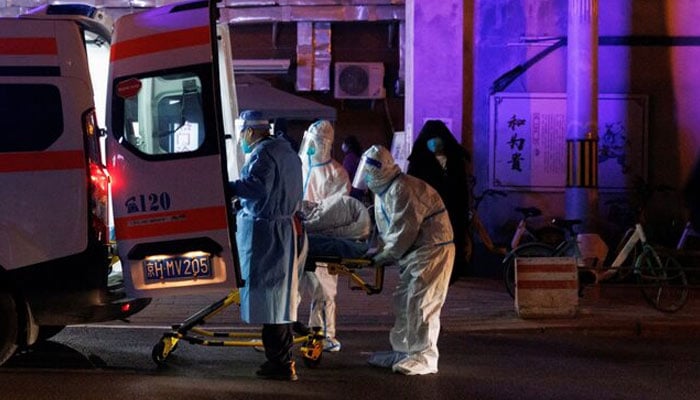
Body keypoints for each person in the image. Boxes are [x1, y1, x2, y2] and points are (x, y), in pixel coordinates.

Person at [353, 145, 455, 376]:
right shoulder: (384, 192)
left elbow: (402, 234)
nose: (366, 177)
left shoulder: (403, 189)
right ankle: (404, 350)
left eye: (369, 172)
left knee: (422, 302)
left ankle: (424, 356)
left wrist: (380, 258)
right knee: (404, 301)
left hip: (432, 250)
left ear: (380, 170)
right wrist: (378, 251)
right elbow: (388, 231)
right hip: (414, 253)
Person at [229, 110, 304, 381]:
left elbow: (258, 188)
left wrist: (232, 188)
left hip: (266, 234)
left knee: (270, 300)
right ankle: (282, 359)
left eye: (242, 134)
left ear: (250, 131)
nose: (241, 140)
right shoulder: (288, 153)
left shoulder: (263, 155)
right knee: (278, 299)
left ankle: (280, 363)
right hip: (282, 230)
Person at [298, 119, 351, 352]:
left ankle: (324, 334)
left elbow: (337, 207)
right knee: (289, 288)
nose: (311, 147)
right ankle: (280, 332)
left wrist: (314, 212)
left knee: (323, 288)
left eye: (316, 143)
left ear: (325, 144)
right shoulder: (299, 164)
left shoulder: (336, 173)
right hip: (295, 234)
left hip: (321, 238)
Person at [407, 120, 470, 284]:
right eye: (431, 138)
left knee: (453, 241)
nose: (435, 142)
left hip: (453, 209)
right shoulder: (419, 162)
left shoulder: (456, 160)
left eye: (438, 137)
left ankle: (451, 273)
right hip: (428, 213)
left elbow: (462, 187)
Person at [341, 135, 366, 200]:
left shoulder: (349, 158)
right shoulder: (359, 155)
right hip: (361, 189)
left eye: (344, 143)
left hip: (352, 191)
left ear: (348, 145)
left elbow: (345, 175)